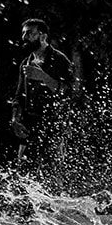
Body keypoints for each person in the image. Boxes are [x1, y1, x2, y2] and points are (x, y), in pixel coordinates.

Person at [10, 18, 84, 176]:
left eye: (29, 33)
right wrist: (15, 119)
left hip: (54, 124)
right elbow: (18, 97)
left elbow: (70, 92)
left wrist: (44, 77)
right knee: (23, 174)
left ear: (43, 36)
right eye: (23, 33)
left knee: (52, 174)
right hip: (29, 125)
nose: (24, 37)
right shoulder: (25, 63)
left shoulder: (60, 60)